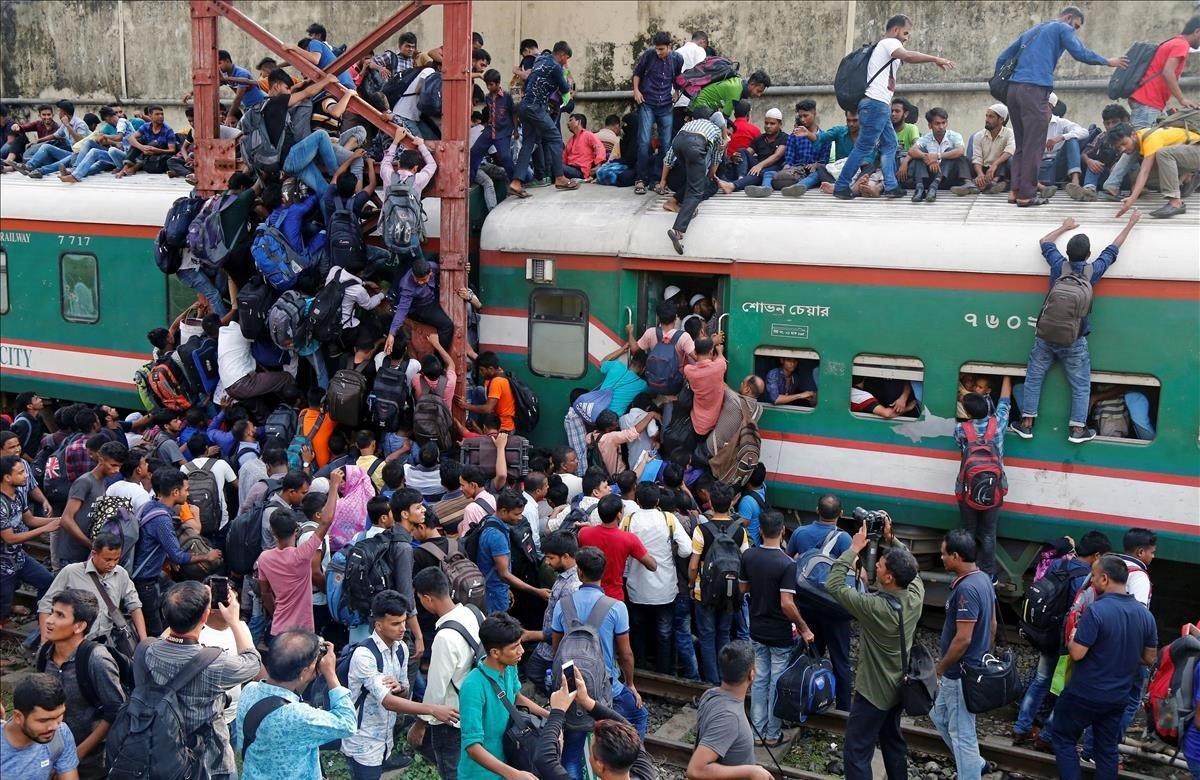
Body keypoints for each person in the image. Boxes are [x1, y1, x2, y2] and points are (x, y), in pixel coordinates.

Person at [1009, 213, 1140, 443]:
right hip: (1074, 339)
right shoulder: (1092, 271)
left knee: (1034, 378)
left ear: (1067, 253)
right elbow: (1113, 249)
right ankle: (1078, 430)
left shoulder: (1058, 265)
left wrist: (1063, 227)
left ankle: (1027, 424)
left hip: (1046, 336)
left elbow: (1045, 242)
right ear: (1088, 255)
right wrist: (1131, 223)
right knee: (1080, 385)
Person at [995, 6, 1128, 207]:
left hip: (1014, 90)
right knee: (1035, 145)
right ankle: (1027, 195)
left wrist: (1003, 83)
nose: (1074, 31)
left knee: (1022, 144)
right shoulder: (1062, 28)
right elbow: (1080, 52)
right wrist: (1108, 61)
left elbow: (1002, 58)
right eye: (1075, 26)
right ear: (1068, 17)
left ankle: (1015, 192)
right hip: (1035, 89)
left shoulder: (1033, 31)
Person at [827, 512, 923, 780]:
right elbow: (912, 568)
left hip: (873, 692)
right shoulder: (915, 595)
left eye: (880, 565)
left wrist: (853, 549)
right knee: (892, 741)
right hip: (897, 687)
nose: (877, 566)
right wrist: (892, 540)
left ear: (890, 578)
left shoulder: (875, 607)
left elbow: (833, 585)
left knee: (856, 750)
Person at [1047, 555, 1157, 780]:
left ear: (1105, 579)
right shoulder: (1145, 615)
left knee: (1063, 738)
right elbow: (1149, 658)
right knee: (1106, 751)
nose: (1092, 581)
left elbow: (1077, 653)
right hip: (1117, 697)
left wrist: (1073, 638)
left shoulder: (1097, 611)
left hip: (1084, 693)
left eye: (1095, 577)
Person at [142, 580, 260, 780]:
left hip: (167, 747)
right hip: (210, 758)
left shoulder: (151, 651)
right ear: (205, 616)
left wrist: (190, 599)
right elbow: (253, 662)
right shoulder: (214, 664)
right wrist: (234, 621)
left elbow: (168, 636)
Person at [833, 15, 954, 199]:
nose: (906, 38)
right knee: (864, 147)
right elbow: (908, 56)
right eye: (905, 33)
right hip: (875, 104)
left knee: (890, 144)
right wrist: (935, 59)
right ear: (895, 30)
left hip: (879, 106)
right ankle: (841, 186)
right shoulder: (888, 43)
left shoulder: (887, 49)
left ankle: (891, 187)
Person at [341, 589, 458, 779]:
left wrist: (400, 688)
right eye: (395, 624)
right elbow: (388, 702)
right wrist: (433, 710)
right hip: (363, 741)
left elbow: (402, 695)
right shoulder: (364, 655)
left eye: (404, 621)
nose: (403, 628)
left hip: (385, 738)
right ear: (378, 625)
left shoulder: (401, 649)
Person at [1012, 530, 1111, 746]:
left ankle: (1021, 727)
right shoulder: (1086, 578)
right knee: (1063, 688)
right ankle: (1047, 735)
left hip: (1046, 633)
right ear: (1096, 556)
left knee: (1040, 681)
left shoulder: (1060, 564)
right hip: (1066, 640)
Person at [1101, 15, 1200, 198]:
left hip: (1150, 102)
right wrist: (1182, 99)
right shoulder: (1181, 45)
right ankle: (1113, 184)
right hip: (1148, 102)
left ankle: (1170, 179)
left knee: (1156, 140)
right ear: (1197, 31)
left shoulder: (1172, 42)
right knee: (1136, 144)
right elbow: (1168, 73)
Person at [235, 629, 355, 780]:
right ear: (303, 672)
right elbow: (348, 724)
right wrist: (330, 674)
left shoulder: (249, 690)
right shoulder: (300, 716)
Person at [35, 589, 125, 780]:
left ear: (79, 626)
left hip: (91, 763)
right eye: (52, 612)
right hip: (50, 755)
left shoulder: (97, 660)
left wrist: (76, 754)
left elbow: (115, 711)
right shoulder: (44, 653)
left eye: (59, 615)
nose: (49, 620)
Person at [740, 510, 813, 746]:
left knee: (759, 680)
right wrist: (803, 627)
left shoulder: (749, 556)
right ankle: (772, 734)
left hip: (757, 629)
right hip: (780, 633)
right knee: (776, 682)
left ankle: (757, 733)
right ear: (783, 531)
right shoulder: (787, 564)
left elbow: (742, 589)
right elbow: (786, 604)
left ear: (760, 530)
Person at [931, 529, 996, 780]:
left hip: (960, 672)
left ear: (956, 556)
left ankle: (971, 773)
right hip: (967, 669)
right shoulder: (983, 579)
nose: (942, 558)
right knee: (938, 715)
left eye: (944, 554)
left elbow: (963, 638)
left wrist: (941, 668)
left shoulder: (967, 589)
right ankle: (976, 763)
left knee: (963, 733)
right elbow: (992, 626)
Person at [129, 468, 221, 636]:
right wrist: (207, 556)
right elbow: (178, 555)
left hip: (151, 575)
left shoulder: (149, 506)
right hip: (145, 580)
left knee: (179, 594)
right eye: (186, 489)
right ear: (175, 492)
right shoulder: (162, 520)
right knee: (155, 628)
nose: (188, 494)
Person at [458, 612, 549, 780]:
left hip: (509, 761)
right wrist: (513, 774)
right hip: (481, 774)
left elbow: (515, 697)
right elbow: (472, 747)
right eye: (514, 647)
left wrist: (549, 716)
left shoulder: (509, 667)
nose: (521, 651)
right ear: (495, 652)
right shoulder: (473, 686)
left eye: (520, 644)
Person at [786, 494, 854, 711]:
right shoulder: (844, 539)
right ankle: (844, 708)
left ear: (817, 510)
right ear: (841, 514)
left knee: (809, 654)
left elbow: (789, 562)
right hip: (835, 610)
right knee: (841, 660)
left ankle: (803, 697)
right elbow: (854, 572)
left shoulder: (800, 533)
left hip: (806, 608)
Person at [411, 568, 481, 778]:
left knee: (452, 771)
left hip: (451, 719)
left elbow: (436, 689)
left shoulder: (445, 637)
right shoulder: (474, 613)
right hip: (477, 708)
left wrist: (420, 724)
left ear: (427, 598)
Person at [534, 669, 656, 780]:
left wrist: (557, 712)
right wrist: (586, 701)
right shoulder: (645, 773)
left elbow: (544, 758)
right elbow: (628, 728)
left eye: (592, 751)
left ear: (600, 765)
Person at [257, 471, 337, 637]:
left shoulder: (264, 558)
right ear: (296, 530)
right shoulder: (302, 555)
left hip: (278, 628)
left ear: (273, 532)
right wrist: (334, 486)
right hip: (303, 632)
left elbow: (265, 592)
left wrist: (275, 614)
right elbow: (326, 521)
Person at [689, 482, 750, 685]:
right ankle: (725, 679)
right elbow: (745, 561)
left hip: (704, 592)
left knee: (706, 636)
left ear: (711, 503)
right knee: (724, 634)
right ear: (731, 502)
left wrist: (692, 585)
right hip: (730, 592)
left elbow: (693, 565)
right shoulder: (740, 531)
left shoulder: (701, 530)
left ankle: (712, 681)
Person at [39, 533, 147, 646]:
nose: (112, 564)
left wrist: (143, 638)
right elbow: (45, 605)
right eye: (108, 559)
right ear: (94, 554)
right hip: (74, 642)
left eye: (116, 559)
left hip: (105, 643)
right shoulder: (71, 572)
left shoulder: (121, 574)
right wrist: (45, 639)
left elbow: (135, 606)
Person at [686, 640, 772, 780]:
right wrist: (750, 772)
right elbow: (696, 770)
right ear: (751, 674)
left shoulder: (711, 693)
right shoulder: (729, 717)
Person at [954, 375, 1012, 579]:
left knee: (968, 531)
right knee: (988, 533)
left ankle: (968, 571)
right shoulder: (999, 424)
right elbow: (1005, 402)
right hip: (994, 488)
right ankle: (988, 574)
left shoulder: (961, 429)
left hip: (967, 489)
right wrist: (1006, 377)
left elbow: (961, 448)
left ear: (968, 413)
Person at [510, 41, 579, 197]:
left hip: (524, 106)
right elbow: (564, 88)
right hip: (536, 107)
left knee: (528, 143)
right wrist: (566, 73)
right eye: (566, 58)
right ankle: (560, 177)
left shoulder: (541, 59)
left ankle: (516, 182)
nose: (566, 62)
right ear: (561, 55)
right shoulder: (556, 67)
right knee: (555, 138)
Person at [658, 108, 731, 255]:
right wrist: (710, 176)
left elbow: (669, 158)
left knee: (692, 178)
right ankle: (677, 230)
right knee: (696, 192)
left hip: (679, 142)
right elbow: (716, 159)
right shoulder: (715, 130)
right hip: (696, 145)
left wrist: (662, 181)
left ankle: (675, 201)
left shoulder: (689, 125)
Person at [0, 456, 58, 625]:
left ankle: (42, 620)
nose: (26, 475)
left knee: (47, 581)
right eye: (20, 473)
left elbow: (30, 520)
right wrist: (45, 529)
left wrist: (60, 520)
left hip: (18, 557)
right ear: (7, 477)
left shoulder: (17, 494)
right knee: (3, 604)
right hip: (3, 565)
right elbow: (9, 538)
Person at [474, 487, 549, 613]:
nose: (520, 518)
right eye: (516, 514)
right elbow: (504, 574)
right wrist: (536, 591)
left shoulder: (491, 521)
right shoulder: (497, 536)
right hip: (494, 594)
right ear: (503, 511)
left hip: (497, 588)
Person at [525, 531, 581, 693]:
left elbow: (567, 626)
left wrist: (531, 635)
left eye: (551, 558)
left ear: (565, 556)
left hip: (556, 649)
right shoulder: (565, 577)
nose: (547, 563)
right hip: (548, 646)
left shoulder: (572, 587)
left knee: (546, 677)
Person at [1110, 120, 1200, 220]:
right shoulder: (1140, 138)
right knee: (1135, 177)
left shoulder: (1150, 138)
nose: (1122, 149)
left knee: (1163, 154)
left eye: (1124, 143)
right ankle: (1189, 177)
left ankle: (1175, 202)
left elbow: (1145, 171)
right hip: (1184, 156)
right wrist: (1135, 191)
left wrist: (1132, 199)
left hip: (1196, 149)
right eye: (1119, 147)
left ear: (1133, 135)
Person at [56, 440, 123, 568]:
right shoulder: (85, 482)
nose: (116, 470)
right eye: (113, 465)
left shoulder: (103, 482)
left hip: (85, 552)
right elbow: (66, 519)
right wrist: (89, 543)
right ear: (101, 459)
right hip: (72, 553)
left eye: (119, 466)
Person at [577, 494, 656, 602]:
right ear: (619, 515)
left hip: (588, 595)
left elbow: (597, 535)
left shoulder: (584, 533)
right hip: (614, 598)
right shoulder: (629, 539)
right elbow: (652, 566)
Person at [0, 673, 79, 780]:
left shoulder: (60, 734)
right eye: (44, 720)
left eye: (59, 716)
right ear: (18, 717)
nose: (54, 726)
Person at [632, 31, 683, 194]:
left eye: (662, 49)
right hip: (647, 103)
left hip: (666, 105)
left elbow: (677, 78)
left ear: (670, 47)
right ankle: (640, 179)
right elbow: (637, 73)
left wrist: (677, 91)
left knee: (666, 144)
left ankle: (657, 180)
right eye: (657, 49)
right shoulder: (648, 55)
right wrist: (636, 91)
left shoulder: (677, 59)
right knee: (644, 141)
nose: (658, 52)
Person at [906, 107, 967, 202]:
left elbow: (960, 151)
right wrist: (927, 157)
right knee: (919, 152)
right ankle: (920, 188)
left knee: (950, 151)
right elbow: (912, 151)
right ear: (930, 125)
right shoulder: (927, 137)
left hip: (946, 178)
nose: (941, 126)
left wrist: (938, 156)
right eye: (937, 123)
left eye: (944, 123)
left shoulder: (954, 136)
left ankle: (934, 187)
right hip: (929, 176)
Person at [458, 352, 517, 433]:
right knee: (479, 390)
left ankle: (473, 426)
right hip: (507, 424)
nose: (481, 373)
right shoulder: (501, 373)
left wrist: (466, 406)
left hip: (502, 429)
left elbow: (488, 409)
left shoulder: (497, 382)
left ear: (491, 369)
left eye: (482, 370)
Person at [736, 107, 787, 196]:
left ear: (780, 124)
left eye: (772, 124)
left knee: (762, 172)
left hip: (774, 168)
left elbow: (777, 156)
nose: (768, 126)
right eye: (766, 123)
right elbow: (748, 153)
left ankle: (735, 184)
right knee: (742, 151)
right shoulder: (759, 138)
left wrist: (760, 166)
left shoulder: (784, 137)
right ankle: (741, 178)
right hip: (757, 167)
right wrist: (737, 156)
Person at [684, 336, 728, 439]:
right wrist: (720, 352)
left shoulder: (689, 371)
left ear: (695, 351)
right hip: (714, 421)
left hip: (696, 421)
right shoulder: (719, 366)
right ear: (711, 351)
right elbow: (722, 361)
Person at [695, 71, 772, 118]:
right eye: (758, 91)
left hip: (702, 104)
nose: (759, 95)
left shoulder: (738, 82)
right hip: (700, 106)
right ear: (752, 84)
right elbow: (725, 116)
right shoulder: (735, 93)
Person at [562, 113, 607, 180]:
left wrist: (598, 166)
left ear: (579, 122)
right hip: (569, 168)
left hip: (580, 171)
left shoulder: (588, 135)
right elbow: (564, 158)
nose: (568, 123)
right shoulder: (570, 140)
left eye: (571, 120)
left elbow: (600, 148)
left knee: (556, 167)